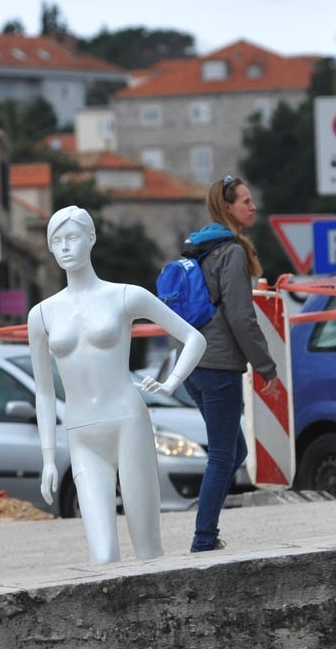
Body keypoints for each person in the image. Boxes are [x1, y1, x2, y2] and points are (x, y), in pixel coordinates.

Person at [28, 206, 207, 565]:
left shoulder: (125, 296)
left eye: (73, 237)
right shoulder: (42, 314)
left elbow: (193, 338)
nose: (65, 247)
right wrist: (48, 458)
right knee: (104, 555)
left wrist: (172, 382)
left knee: (148, 549)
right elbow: (45, 392)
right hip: (81, 432)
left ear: (91, 239)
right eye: (57, 241)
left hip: (127, 422)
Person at [181, 176, 279, 553]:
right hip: (219, 366)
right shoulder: (232, 252)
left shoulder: (199, 248)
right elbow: (241, 316)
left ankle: (206, 531)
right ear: (228, 208)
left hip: (193, 364)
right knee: (223, 456)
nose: (253, 207)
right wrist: (266, 367)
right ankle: (204, 538)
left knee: (233, 451)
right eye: (246, 202)